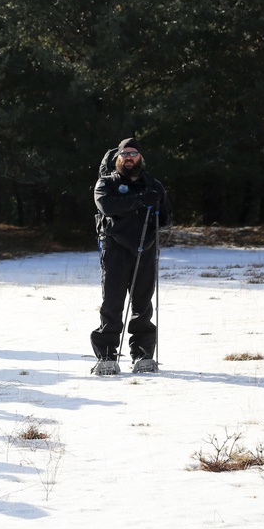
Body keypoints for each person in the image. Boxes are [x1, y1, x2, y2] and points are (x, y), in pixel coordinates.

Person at [90, 138, 171, 375]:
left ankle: (143, 355)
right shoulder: (106, 183)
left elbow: (166, 216)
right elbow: (107, 206)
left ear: (140, 158)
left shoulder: (154, 185)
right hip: (115, 250)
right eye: (124, 154)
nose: (129, 158)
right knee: (112, 304)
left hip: (145, 250)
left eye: (133, 153)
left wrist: (158, 209)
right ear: (117, 158)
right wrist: (139, 201)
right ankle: (106, 356)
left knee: (142, 305)